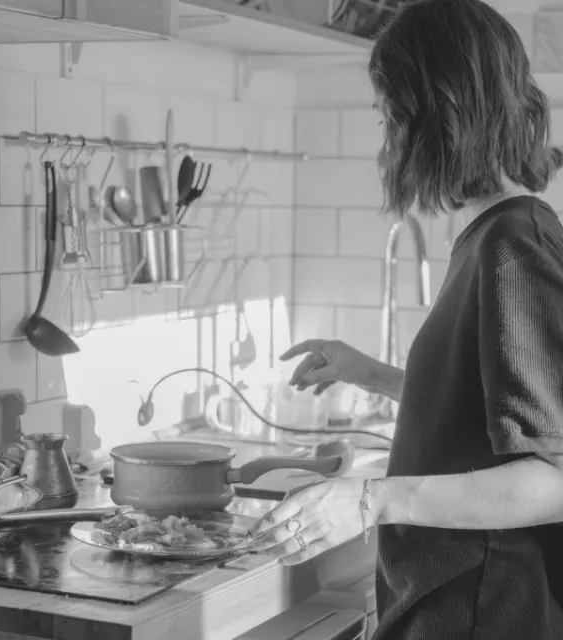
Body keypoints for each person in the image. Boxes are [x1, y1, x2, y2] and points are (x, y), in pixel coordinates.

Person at [251, 0, 563, 638]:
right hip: (450, 602)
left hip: (485, 612)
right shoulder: (491, 237)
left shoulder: (513, 246)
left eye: (394, 115)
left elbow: (552, 479)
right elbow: (482, 412)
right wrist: (367, 371)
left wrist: (369, 500)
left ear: (441, 114)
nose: (390, 138)